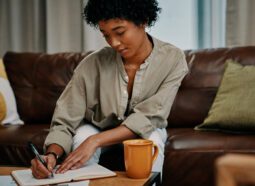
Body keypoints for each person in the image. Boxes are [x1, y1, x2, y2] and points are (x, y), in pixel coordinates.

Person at [30, 0, 188, 179]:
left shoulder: (173, 59)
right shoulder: (91, 64)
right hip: (99, 127)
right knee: (81, 138)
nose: (114, 43)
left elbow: (150, 116)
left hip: (148, 128)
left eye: (120, 32)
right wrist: (51, 155)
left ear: (143, 21)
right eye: (106, 35)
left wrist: (95, 141)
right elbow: (65, 119)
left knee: (151, 143)